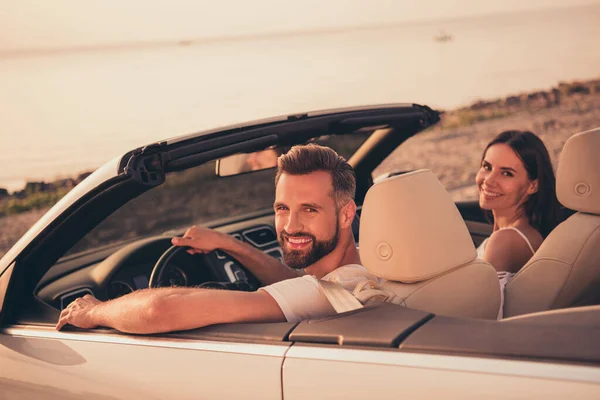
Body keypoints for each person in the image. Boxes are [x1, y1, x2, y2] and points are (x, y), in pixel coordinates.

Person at [56, 144, 379, 333]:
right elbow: (295, 282)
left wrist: (94, 312)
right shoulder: (375, 265)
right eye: (282, 208)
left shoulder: (325, 296)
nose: (291, 226)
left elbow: (159, 310)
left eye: (309, 210)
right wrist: (229, 244)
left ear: (347, 214)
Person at [475, 130, 563, 318]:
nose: (489, 180)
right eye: (487, 167)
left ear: (533, 185)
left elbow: (483, 319)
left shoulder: (506, 240)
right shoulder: (519, 232)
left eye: (506, 173)